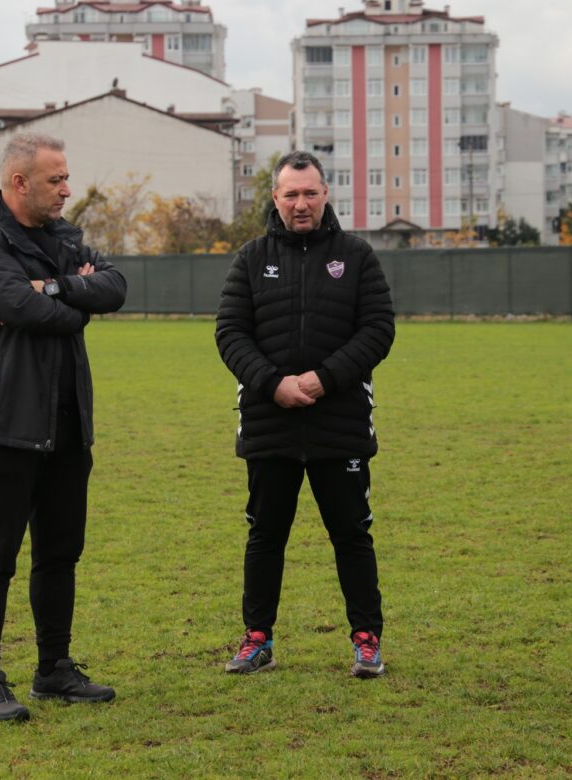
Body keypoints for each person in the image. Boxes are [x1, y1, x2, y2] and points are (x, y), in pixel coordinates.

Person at [0, 132, 127, 721]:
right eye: (56, 179)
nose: (67, 189)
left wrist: (58, 287)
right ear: (19, 181)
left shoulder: (63, 237)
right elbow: (24, 310)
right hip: (5, 422)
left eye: (66, 177)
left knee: (59, 552)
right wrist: (73, 302)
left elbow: (114, 288)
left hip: (67, 421)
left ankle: (53, 669)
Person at [215, 151, 395, 678]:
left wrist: (324, 378)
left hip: (338, 426)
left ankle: (366, 638)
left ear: (325, 194)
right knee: (265, 535)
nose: (300, 203)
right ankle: (257, 638)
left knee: (352, 535)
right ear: (275, 198)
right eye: (290, 194)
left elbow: (379, 329)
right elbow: (229, 333)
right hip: (271, 425)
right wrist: (274, 384)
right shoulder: (250, 258)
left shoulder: (356, 256)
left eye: (310, 193)